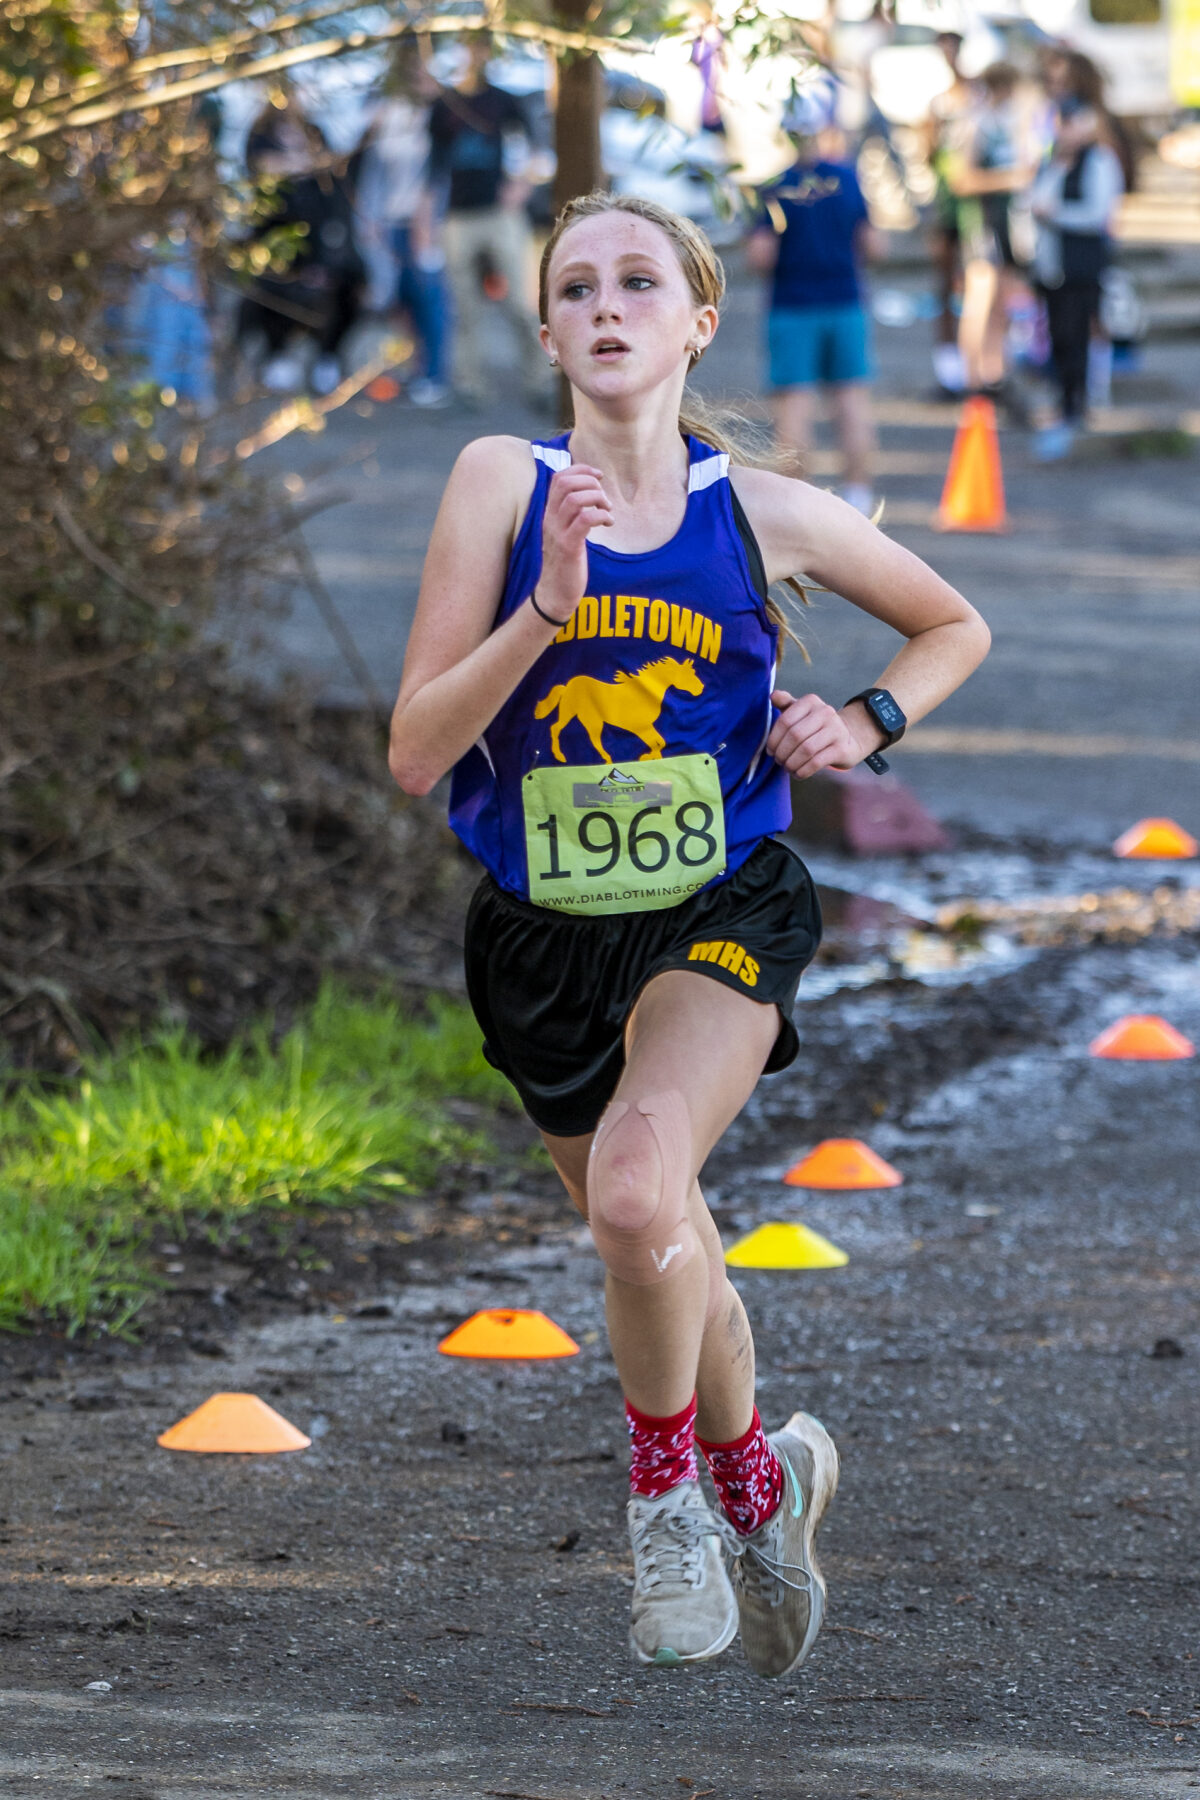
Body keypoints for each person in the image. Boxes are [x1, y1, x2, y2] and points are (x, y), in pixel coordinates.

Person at [388, 190, 989, 1672]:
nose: (607, 304)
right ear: (545, 332)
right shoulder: (495, 482)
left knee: (641, 1195)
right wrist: (541, 612)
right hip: (542, 935)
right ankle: (759, 1479)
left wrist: (862, 719)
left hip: (723, 904)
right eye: (576, 285)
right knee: (662, 1239)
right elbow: (414, 753)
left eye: (640, 282)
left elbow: (954, 624)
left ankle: (664, 1503)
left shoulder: (761, 512)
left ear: (698, 321)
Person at [746, 91, 882, 515]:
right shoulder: (846, 181)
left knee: (794, 408)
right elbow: (875, 245)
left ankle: (796, 504)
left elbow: (760, 257)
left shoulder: (774, 189)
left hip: (792, 306)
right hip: (845, 302)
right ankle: (858, 493)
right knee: (852, 401)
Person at [429, 37, 548, 407]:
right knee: (464, 308)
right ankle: (469, 387)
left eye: (477, 48)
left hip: (499, 214)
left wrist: (522, 184)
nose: (471, 55)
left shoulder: (502, 99)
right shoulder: (444, 104)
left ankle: (540, 382)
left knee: (520, 304)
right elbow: (432, 166)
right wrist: (427, 218)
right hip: (457, 217)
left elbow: (537, 145)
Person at [240, 96, 366, 396]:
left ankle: (328, 356)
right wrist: (307, 163)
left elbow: (334, 172)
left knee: (348, 288)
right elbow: (262, 168)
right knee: (272, 294)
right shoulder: (260, 134)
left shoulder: (316, 131)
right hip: (274, 240)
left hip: (322, 241)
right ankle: (278, 354)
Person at [356, 43, 451, 408]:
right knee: (397, 298)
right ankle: (409, 368)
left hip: (425, 222)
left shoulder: (439, 112)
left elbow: (440, 170)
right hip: (387, 219)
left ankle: (435, 375)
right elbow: (369, 167)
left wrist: (427, 217)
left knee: (429, 295)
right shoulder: (382, 107)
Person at [1029, 102, 1124, 459]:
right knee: (1058, 336)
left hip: (1081, 266)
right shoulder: (1051, 162)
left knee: (1078, 334)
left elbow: (1099, 213)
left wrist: (1055, 214)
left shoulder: (1098, 161)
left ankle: (1078, 405)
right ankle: (1064, 401)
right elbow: (1033, 199)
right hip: (1051, 267)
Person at [948, 63, 1038, 403]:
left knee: (1001, 300)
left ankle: (994, 374)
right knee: (980, 298)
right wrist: (1011, 178)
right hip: (981, 222)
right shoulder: (976, 124)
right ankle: (972, 380)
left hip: (1006, 223)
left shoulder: (1008, 123)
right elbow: (962, 179)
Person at [921, 32, 972, 395]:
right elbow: (929, 152)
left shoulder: (972, 96)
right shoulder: (938, 103)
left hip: (973, 205)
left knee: (975, 285)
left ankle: (971, 364)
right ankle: (949, 368)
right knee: (945, 283)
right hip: (947, 203)